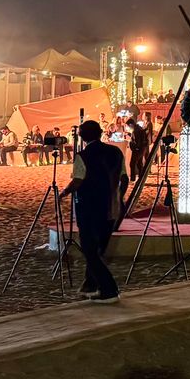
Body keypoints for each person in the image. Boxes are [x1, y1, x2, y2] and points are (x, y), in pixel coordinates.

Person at [61, 120, 126, 304]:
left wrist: (64, 192)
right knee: (99, 249)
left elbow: (78, 181)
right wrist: (118, 198)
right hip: (111, 207)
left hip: (89, 207)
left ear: (82, 137)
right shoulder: (115, 152)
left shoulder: (83, 155)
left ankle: (108, 289)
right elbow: (124, 177)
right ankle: (90, 284)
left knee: (90, 249)